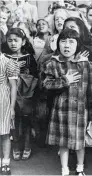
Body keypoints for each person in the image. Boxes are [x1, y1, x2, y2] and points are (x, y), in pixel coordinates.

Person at [43, 29, 92, 176]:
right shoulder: (53, 64)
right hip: (61, 109)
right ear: (58, 44)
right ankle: (64, 169)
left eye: (71, 42)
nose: (67, 45)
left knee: (80, 142)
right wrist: (65, 80)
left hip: (80, 109)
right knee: (63, 142)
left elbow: (90, 92)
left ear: (78, 45)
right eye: (63, 41)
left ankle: (80, 168)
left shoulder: (86, 66)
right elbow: (46, 85)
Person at [2, 27, 38, 162]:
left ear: (23, 42)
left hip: (25, 94)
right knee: (13, 121)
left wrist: (23, 72)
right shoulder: (4, 57)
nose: (12, 43)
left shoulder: (29, 58)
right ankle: (16, 146)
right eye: (10, 40)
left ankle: (27, 145)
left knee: (26, 120)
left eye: (16, 40)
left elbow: (34, 76)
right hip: (9, 93)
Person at [0, 29, 19, 175]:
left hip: (3, 101)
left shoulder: (8, 62)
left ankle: (5, 162)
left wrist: (12, 107)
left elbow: (13, 86)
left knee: (5, 133)